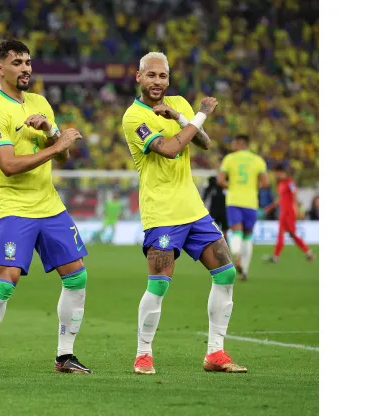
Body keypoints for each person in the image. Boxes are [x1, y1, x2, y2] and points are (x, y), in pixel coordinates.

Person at [122, 51, 247, 376]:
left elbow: (202, 142)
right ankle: (143, 354)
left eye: (163, 76)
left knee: (226, 272)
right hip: (161, 212)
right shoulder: (133, 117)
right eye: (151, 75)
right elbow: (170, 148)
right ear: (139, 77)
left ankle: (215, 353)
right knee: (160, 283)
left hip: (193, 209)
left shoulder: (177, 102)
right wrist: (201, 113)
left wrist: (181, 117)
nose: (157, 81)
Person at [0, 39, 91, 377]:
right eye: (17, 62)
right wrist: (56, 147)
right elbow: (8, 165)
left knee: (77, 276)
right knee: (5, 282)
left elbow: (64, 154)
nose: (25, 68)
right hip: (14, 207)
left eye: (28, 61)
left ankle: (65, 355)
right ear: (0, 68)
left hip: (49, 205)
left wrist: (53, 132)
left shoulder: (39, 102)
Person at [217, 134, 269, 281]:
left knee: (236, 232)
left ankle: (237, 255)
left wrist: (231, 186)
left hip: (234, 201)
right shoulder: (258, 160)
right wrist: (253, 187)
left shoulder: (230, 159)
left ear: (239, 143)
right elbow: (266, 183)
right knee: (248, 235)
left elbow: (220, 180)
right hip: (251, 202)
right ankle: (245, 269)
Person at [262, 165, 314, 263]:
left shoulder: (289, 182)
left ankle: (307, 252)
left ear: (281, 172)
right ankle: (276, 256)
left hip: (289, 212)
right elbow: (281, 198)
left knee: (291, 234)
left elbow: (294, 194)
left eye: (276, 173)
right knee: (284, 234)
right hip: (283, 212)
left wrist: (297, 209)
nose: (275, 175)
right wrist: (270, 207)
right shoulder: (280, 184)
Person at [202, 175, 228, 242]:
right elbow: (205, 196)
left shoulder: (226, 183)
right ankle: (215, 241)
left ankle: (224, 241)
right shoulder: (212, 184)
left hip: (221, 210)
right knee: (215, 227)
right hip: (216, 210)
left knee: (224, 228)